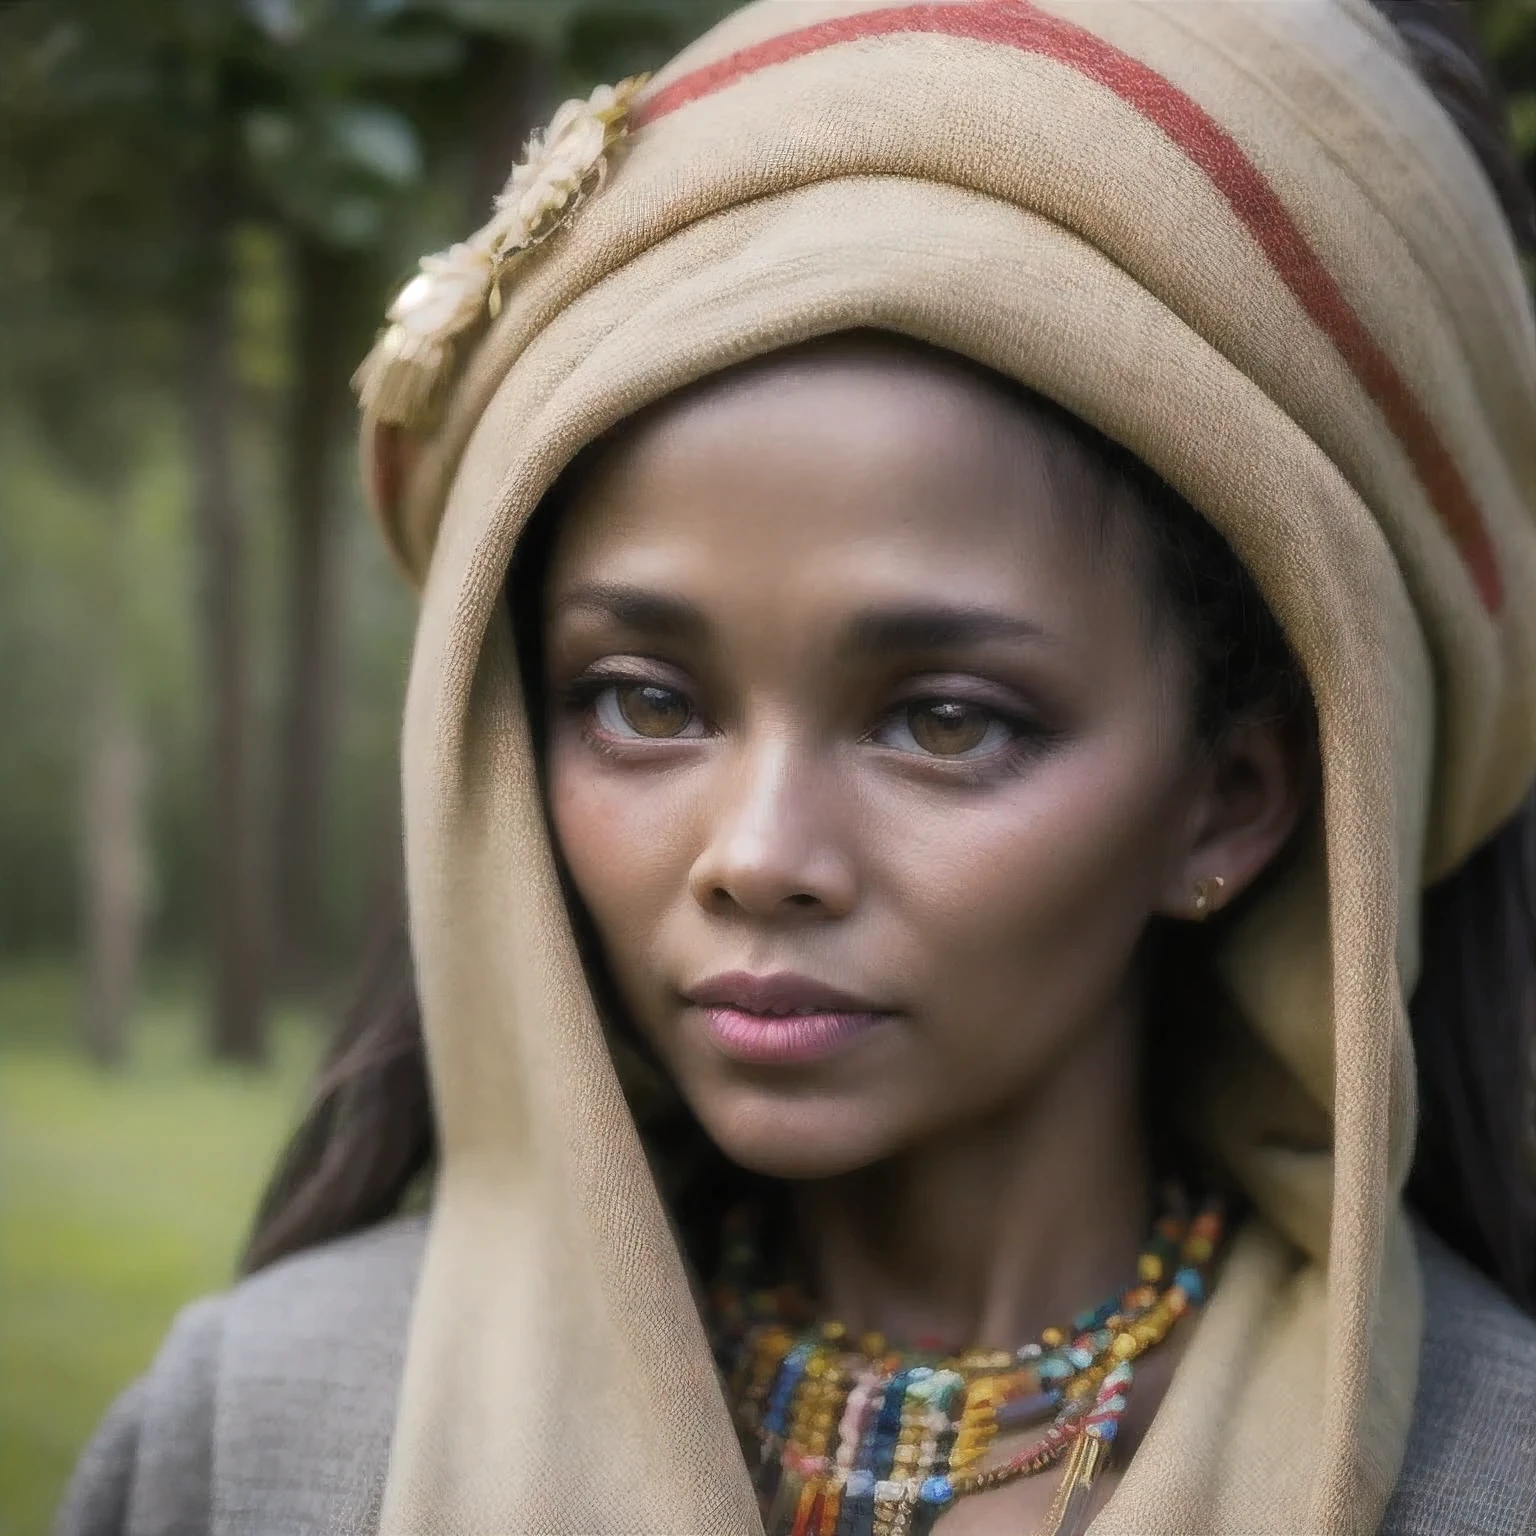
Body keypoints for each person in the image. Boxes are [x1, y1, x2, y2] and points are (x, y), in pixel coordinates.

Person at [58, 2, 1536, 1534]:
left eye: (945, 722)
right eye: (642, 702)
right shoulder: (267, 1434)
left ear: (1231, 796)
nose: (757, 853)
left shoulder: (1490, 1477)